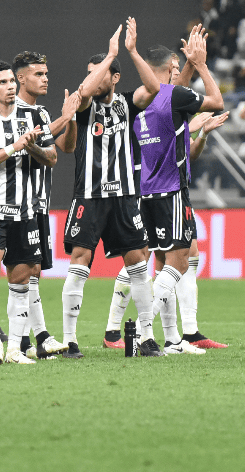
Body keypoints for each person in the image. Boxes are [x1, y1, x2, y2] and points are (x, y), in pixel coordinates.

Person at [64, 23, 163, 358]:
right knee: (80, 263)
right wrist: (109, 56)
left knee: (138, 263)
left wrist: (132, 52)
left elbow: (153, 86)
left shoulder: (125, 102)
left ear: (116, 77)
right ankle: (70, 339)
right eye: (93, 72)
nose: (96, 77)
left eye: (104, 72)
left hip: (123, 196)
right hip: (89, 196)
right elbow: (85, 90)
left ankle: (148, 337)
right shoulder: (83, 104)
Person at [128, 23, 226, 353]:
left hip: (146, 192)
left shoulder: (141, 102)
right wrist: (200, 64)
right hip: (172, 192)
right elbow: (215, 101)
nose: (177, 72)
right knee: (180, 263)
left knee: (159, 265)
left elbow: (175, 95)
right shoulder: (170, 96)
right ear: (166, 69)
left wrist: (185, 65)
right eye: (173, 67)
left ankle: (171, 340)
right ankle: (142, 331)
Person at [0, 60, 56, 365]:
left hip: (26, 211)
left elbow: (52, 158)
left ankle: (15, 349)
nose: (10, 87)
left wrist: (31, 148)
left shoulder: (35, 115)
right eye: (2, 82)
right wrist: (13, 148)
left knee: (21, 281)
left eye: (11, 82)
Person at [12, 51, 78, 358]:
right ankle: (38, 337)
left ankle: (28, 340)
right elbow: (49, 156)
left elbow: (58, 145)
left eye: (46, 73)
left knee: (34, 271)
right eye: (39, 74)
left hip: (39, 202)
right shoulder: (11, 112)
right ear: (21, 78)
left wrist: (69, 118)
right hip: (16, 205)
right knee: (27, 270)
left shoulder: (39, 114)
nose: (46, 78)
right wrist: (65, 116)